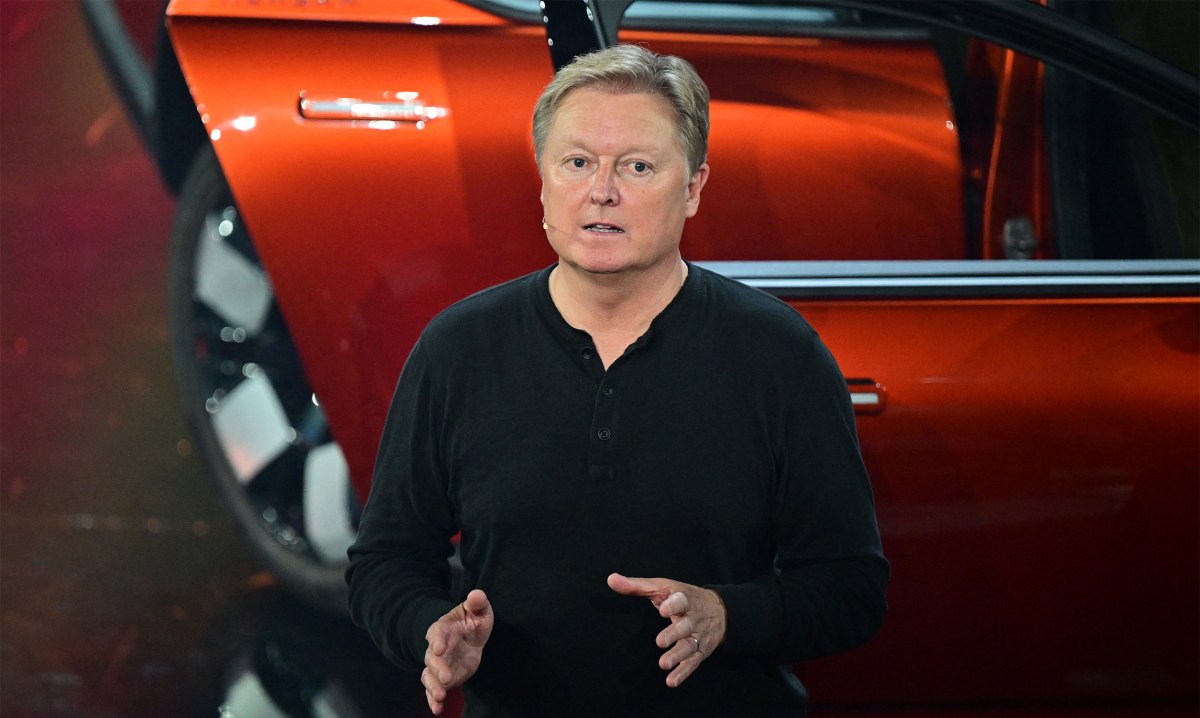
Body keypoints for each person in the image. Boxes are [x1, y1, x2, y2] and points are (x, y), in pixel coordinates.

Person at [346, 44, 889, 717]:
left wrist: (728, 614)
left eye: (636, 166)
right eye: (577, 163)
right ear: (542, 182)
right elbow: (385, 562)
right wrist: (429, 628)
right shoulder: (458, 349)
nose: (601, 191)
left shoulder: (780, 355)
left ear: (692, 189)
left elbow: (852, 587)